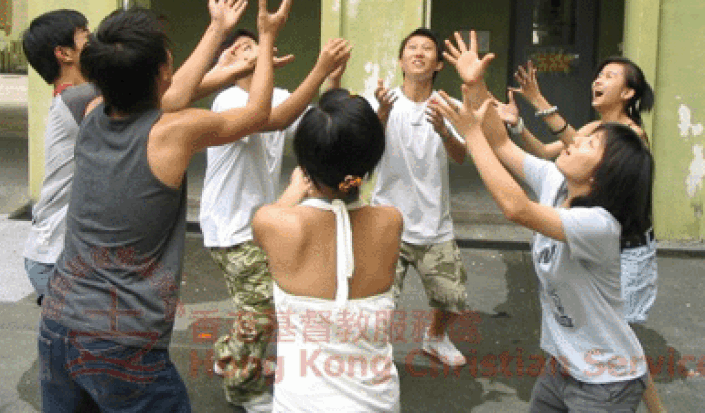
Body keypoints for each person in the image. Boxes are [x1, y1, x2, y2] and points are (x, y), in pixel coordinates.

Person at [37, 0, 307, 412]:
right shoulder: (172, 132)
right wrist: (267, 35)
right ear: (163, 70)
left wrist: (217, 29)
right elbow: (259, 115)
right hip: (120, 341)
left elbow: (171, 92)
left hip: (57, 325)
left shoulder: (91, 113)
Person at [431, 31, 653, 412]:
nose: (573, 141)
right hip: (561, 368)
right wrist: (475, 84)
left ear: (601, 175)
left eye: (587, 145)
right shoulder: (556, 182)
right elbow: (502, 144)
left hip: (606, 383)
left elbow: (516, 208)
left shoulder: (599, 224)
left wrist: (470, 133)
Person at [496, 56, 665, 411]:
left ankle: (649, 405)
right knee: (608, 334)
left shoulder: (628, 137)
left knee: (617, 334)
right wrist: (516, 126)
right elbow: (549, 152)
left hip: (627, 249)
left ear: (629, 92)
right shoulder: (593, 129)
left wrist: (540, 101)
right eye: (598, 73)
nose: (598, 80)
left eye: (610, 75)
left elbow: (589, 160)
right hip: (594, 239)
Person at [199, 28, 350, 410]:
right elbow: (275, 119)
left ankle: (229, 353)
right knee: (262, 308)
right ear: (227, 61)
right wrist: (317, 70)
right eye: (246, 48)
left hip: (261, 223)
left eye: (261, 45)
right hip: (231, 227)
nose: (258, 52)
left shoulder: (277, 97)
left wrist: (332, 80)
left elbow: (310, 124)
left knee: (255, 303)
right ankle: (243, 387)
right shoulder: (227, 99)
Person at [252, 88, 403, 412]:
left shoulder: (274, 224)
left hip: (299, 404)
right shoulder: (390, 222)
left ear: (304, 162)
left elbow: (272, 218)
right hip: (377, 403)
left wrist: (295, 190)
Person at [369, 27, 470, 367]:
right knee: (377, 300)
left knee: (452, 297)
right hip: (387, 222)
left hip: (433, 224)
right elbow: (365, 150)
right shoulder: (381, 102)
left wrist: (444, 131)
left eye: (428, 48)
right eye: (412, 47)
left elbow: (460, 155)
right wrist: (380, 116)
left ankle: (436, 337)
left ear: (438, 64)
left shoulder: (449, 106)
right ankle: (375, 349)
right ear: (401, 60)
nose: (419, 52)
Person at [21, 10, 96, 305]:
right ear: (64, 53)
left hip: (59, 255)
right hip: (55, 258)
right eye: (86, 36)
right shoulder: (78, 99)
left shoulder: (77, 97)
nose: (94, 42)